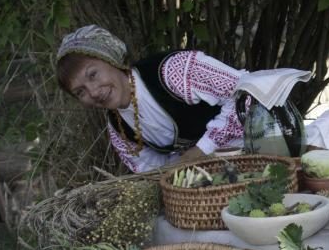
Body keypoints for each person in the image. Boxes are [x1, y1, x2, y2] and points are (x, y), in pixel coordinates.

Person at [56, 25, 246, 173]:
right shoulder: (119, 130)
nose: (94, 92)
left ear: (112, 60)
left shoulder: (173, 71)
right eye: (80, 92)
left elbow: (244, 92)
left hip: (257, 149)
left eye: (93, 75)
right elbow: (155, 172)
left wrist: (202, 149)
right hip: (217, 176)